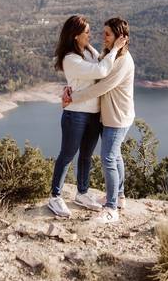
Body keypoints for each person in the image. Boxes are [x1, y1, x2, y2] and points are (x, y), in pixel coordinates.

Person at [48, 15, 128, 218]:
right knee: (67, 155)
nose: (90, 35)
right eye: (87, 32)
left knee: (86, 156)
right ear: (76, 36)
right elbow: (101, 70)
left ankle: (82, 193)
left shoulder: (89, 51)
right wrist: (116, 49)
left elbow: (102, 63)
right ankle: (55, 196)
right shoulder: (70, 58)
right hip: (75, 114)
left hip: (93, 114)